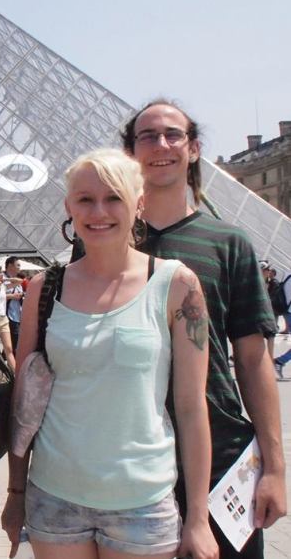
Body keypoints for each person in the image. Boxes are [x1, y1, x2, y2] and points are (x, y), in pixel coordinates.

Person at [2, 148, 217, 559]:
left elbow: (192, 408)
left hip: (143, 501)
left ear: (139, 203)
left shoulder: (177, 284)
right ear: (69, 206)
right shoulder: (45, 288)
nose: (99, 210)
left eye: (114, 197)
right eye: (85, 199)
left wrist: (199, 518)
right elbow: (23, 404)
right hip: (54, 497)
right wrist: (14, 492)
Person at [120, 100, 286, 558]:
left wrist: (274, 467)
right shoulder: (102, 242)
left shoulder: (229, 243)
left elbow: (254, 361)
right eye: (147, 136)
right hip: (127, 453)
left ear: (193, 149)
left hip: (221, 450)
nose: (161, 145)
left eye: (173, 135)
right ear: (130, 152)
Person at [4, 256, 24, 350]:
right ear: (10, 265)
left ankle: (7, 358)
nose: (20, 267)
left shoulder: (16, 280)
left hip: (17, 314)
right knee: (14, 340)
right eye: (18, 265)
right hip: (7, 314)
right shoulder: (2, 279)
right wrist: (12, 296)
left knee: (12, 341)